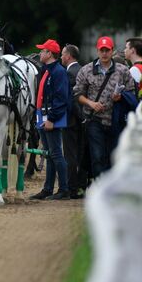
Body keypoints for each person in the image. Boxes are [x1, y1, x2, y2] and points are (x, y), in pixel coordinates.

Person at [74, 36, 135, 179]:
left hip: (116, 120)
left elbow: (131, 93)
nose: (104, 53)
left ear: (112, 51)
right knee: (97, 156)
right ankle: (99, 185)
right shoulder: (86, 70)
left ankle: (110, 189)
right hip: (94, 120)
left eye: (107, 50)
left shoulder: (123, 70)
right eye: (102, 50)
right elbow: (77, 93)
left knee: (113, 157)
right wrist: (91, 103)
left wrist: (121, 97)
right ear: (97, 51)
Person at [29, 39, 71, 200]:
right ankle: (47, 188)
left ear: (50, 54)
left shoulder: (58, 72)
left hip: (52, 117)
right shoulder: (46, 70)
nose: (40, 53)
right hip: (43, 115)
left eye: (43, 50)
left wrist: (52, 119)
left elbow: (61, 98)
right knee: (49, 154)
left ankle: (63, 189)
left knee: (56, 153)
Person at [60, 44, 87, 198]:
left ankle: (72, 188)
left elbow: (72, 99)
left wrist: (78, 117)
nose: (61, 57)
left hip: (72, 120)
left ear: (69, 56)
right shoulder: (83, 69)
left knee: (70, 154)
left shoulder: (69, 73)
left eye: (63, 54)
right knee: (81, 153)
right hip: (83, 118)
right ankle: (81, 186)